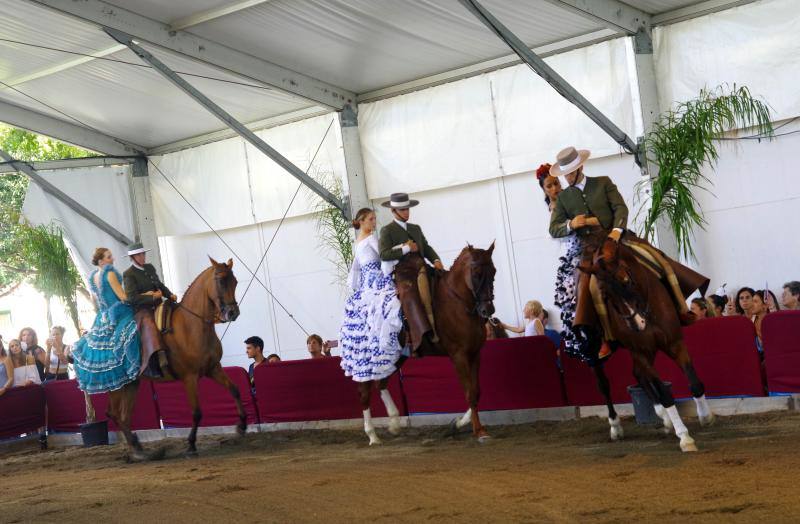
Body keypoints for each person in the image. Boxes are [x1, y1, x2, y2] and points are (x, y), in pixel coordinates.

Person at [548, 146, 708, 364]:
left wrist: (616, 231)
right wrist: (570, 224)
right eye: (564, 174)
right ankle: (606, 337)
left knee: (657, 259)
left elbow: (620, 208)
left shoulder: (603, 182)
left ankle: (680, 308)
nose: (567, 178)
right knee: (591, 287)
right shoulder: (564, 198)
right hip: (590, 248)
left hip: (617, 237)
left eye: (570, 172)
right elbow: (553, 228)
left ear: (580, 168)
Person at [339, 207, 405, 381]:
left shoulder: (358, 241)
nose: (374, 222)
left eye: (374, 219)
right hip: (377, 279)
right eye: (370, 219)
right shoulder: (370, 238)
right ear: (361, 221)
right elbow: (385, 256)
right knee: (394, 304)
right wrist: (403, 249)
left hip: (365, 285)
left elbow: (357, 268)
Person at [72, 247, 141, 393]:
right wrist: (142, 295)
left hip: (103, 316)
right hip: (119, 311)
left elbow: (98, 300)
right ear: (101, 261)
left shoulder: (93, 276)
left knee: (105, 349)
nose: (113, 259)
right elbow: (123, 297)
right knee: (137, 329)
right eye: (109, 257)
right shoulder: (110, 273)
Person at [379, 192, 443, 345]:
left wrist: (436, 259)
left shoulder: (415, 228)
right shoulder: (387, 230)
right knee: (413, 295)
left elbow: (426, 247)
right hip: (404, 272)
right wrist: (407, 249)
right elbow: (384, 254)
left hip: (422, 266)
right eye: (402, 210)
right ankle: (422, 334)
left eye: (407, 209)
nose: (406, 212)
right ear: (393, 211)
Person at [122, 242, 176, 378]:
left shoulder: (149, 268)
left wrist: (169, 294)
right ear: (133, 257)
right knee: (150, 324)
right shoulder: (129, 274)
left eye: (143, 253)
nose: (142, 256)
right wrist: (152, 298)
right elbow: (132, 298)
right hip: (142, 310)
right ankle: (156, 358)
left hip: (158, 304)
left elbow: (159, 285)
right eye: (139, 255)